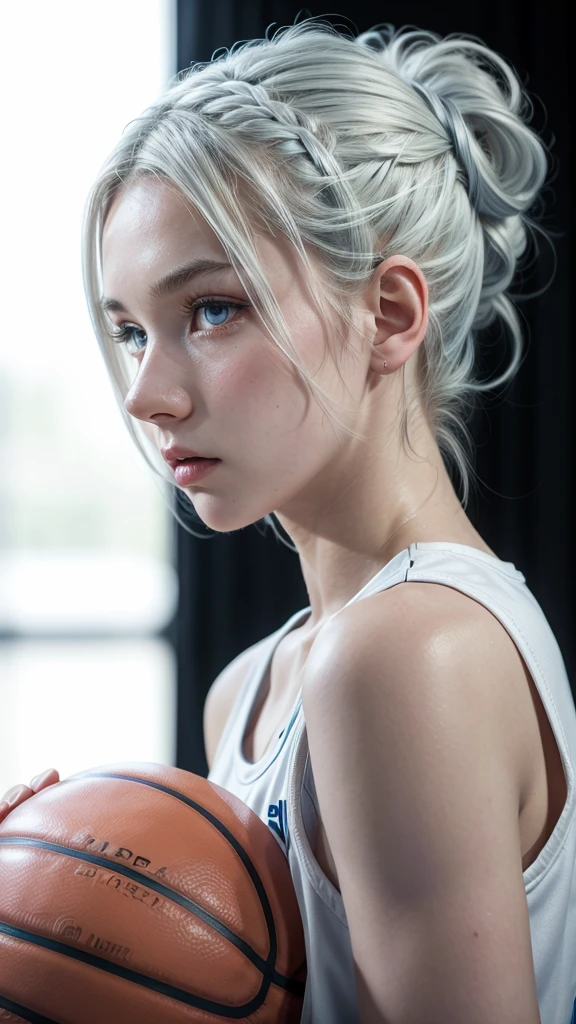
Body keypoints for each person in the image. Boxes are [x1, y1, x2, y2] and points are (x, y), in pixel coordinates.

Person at [1, 16, 573, 1024]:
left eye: (212, 309)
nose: (146, 393)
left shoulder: (402, 653)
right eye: (131, 329)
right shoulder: (252, 688)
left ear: (391, 314)